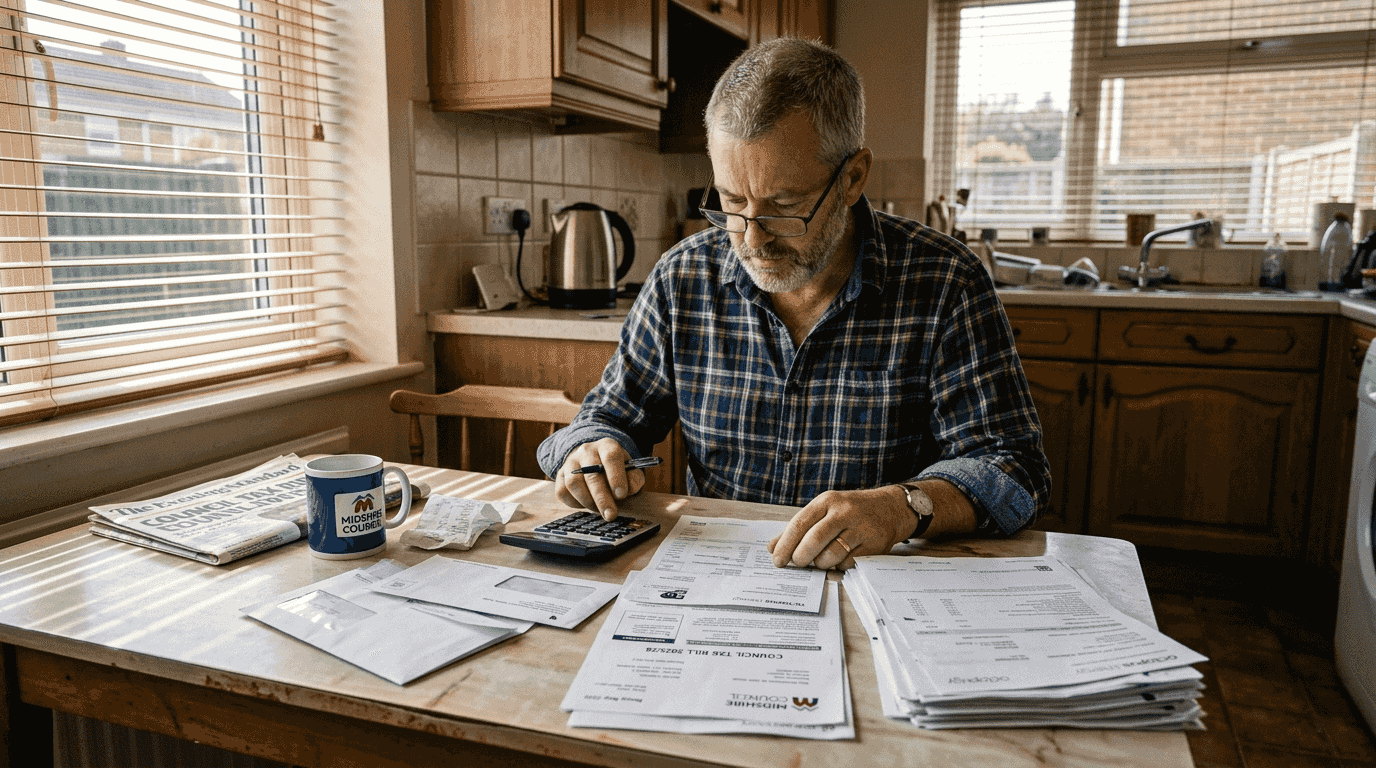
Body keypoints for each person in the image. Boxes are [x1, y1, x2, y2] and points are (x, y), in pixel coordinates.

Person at [536, 37, 1050, 570]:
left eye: (784, 207)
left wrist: (902, 507)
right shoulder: (681, 278)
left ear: (852, 178)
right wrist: (589, 451)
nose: (752, 239)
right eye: (732, 202)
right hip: (717, 583)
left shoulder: (945, 281)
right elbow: (603, 420)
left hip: (877, 584)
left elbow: (1016, 471)